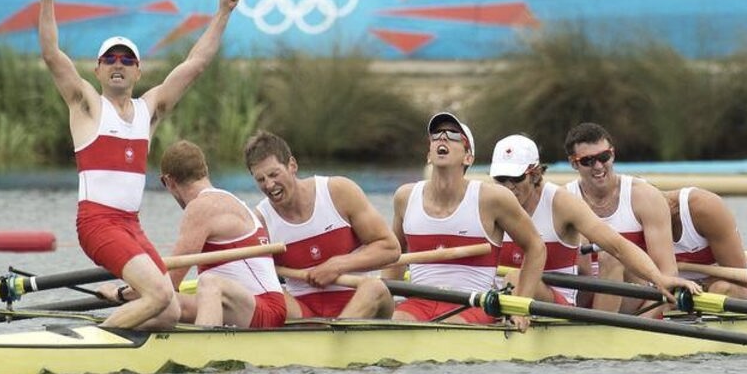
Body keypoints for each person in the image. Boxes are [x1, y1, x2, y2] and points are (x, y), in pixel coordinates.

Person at [36, 0, 239, 329]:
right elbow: (52, 55)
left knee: (170, 309)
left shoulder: (149, 110)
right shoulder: (87, 105)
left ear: (138, 72)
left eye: (127, 60)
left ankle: (124, 353)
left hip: (131, 225)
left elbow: (195, 64)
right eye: (111, 60)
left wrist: (223, 13)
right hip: (97, 223)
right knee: (158, 295)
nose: (119, 65)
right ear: (98, 70)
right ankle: (97, 343)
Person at [489, 135, 701, 306]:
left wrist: (658, 278)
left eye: (516, 178)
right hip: (505, 301)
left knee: (514, 278)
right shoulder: (489, 202)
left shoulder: (561, 203)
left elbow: (617, 246)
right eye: (501, 179)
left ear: (535, 174)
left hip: (556, 305)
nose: (508, 187)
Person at [384, 113, 546, 330]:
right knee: (397, 322)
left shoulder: (492, 198)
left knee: (448, 328)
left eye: (453, 135)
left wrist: (521, 306)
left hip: (472, 304)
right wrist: (388, 303)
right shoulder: (404, 197)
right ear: (429, 154)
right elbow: (393, 256)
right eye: (436, 135)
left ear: (468, 158)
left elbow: (536, 246)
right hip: (419, 303)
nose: (442, 138)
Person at [118, 140, 302, 328]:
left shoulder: (201, 207)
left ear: (168, 181)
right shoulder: (229, 199)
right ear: (205, 170)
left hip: (266, 311)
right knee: (170, 305)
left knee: (206, 283)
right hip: (240, 305)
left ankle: (203, 344)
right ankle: (122, 335)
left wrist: (120, 293)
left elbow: (169, 283)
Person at [244, 131, 400, 318]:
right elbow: (253, 275)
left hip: (358, 301)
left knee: (375, 287)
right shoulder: (260, 221)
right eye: (260, 180)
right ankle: (327, 332)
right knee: (253, 291)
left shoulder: (339, 192)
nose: (269, 185)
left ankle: (336, 330)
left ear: (292, 165)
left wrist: (336, 265)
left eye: (274, 174)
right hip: (303, 313)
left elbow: (390, 248)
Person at [562, 122, 680, 315]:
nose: (598, 166)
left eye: (604, 157)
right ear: (574, 163)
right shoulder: (563, 200)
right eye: (588, 161)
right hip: (583, 294)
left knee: (611, 257)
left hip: (634, 298)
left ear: (613, 154)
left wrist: (645, 319)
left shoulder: (645, 196)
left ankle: (600, 328)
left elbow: (668, 273)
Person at [662, 187, 747, 301]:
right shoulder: (643, 219)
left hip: (728, 291)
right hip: (676, 295)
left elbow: (740, 280)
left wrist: (696, 286)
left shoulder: (704, 206)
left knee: (720, 288)